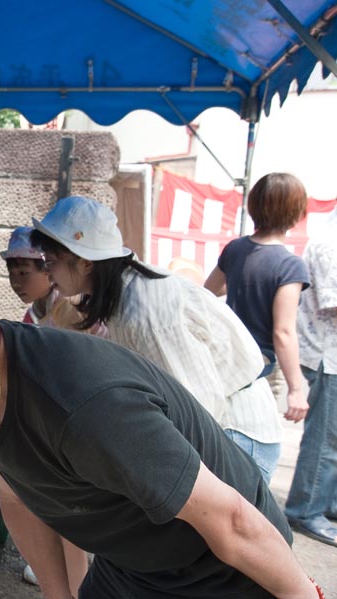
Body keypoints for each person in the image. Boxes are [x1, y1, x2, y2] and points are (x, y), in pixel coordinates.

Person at [0, 235, 319, 599]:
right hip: (131, 564)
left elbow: (233, 521)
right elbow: (17, 495)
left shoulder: (86, 406)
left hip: (219, 575)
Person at [32, 196, 283, 483]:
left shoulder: (146, 312)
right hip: (221, 434)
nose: (47, 271)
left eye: (50, 261)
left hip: (237, 436)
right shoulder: (124, 299)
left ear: (85, 262)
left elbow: (197, 408)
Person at [2, 226, 90, 592]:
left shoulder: (69, 310)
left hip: (74, 424)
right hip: (52, 423)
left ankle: (78, 583)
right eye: (11, 272)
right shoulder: (33, 313)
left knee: (71, 516)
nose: (16, 281)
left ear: (48, 271)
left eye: (25, 272)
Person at [204, 172, 310, 423]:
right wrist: (296, 390)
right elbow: (283, 332)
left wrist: (245, 283)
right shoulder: (289, 265)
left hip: (227, 357)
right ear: (295, 212)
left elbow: (208, 292)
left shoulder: (235, 248)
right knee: (256, 436)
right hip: (260, 366)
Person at [284, 205, 337, 547]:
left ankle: (326, 504)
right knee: (325, 440)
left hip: (330, 353)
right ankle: (306, 509)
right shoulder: (328, 245)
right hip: (325, 354)